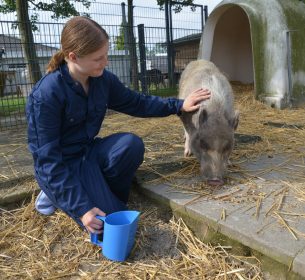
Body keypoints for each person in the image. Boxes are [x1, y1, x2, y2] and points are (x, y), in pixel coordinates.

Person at [26, 16, 211, 235]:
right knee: (109, 227)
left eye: (105, 55)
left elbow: (138, 102)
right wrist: (82, 208)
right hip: (63, 164)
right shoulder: (46, 95)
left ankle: (93, 192)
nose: (105, 62)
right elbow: (47, 161)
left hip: (87, 152)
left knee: (130, 145)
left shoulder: (102, 80)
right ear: (73, 57)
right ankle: (57, 192)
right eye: (98, 58)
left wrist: (179, 105)